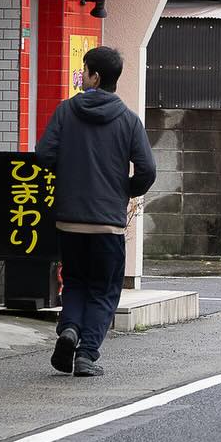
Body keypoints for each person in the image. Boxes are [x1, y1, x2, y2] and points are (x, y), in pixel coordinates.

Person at [36, 46, 156, 378]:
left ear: (96, 77)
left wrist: (69, 177)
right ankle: (86, 354)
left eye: (84, 70)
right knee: (104, 289)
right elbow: (147, 170)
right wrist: (123, 191)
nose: (81, 76)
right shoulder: (129, 121)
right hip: (107, 225)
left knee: (74, 282)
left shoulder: (64, 112)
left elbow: (43, 155)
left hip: (70, 220)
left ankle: (70, 329)